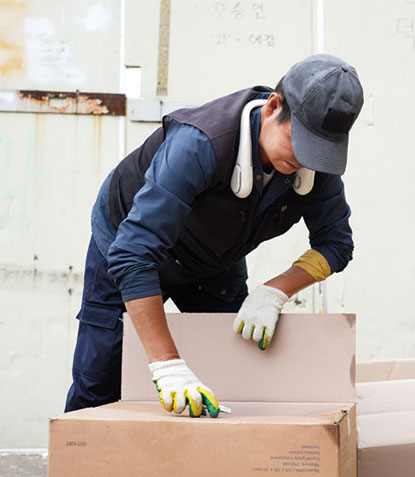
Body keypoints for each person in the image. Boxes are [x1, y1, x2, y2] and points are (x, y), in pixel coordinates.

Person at [65, 54, 364, 418]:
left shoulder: (318, 165)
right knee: (99, 378)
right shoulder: (201, 143)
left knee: (236, 371)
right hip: (127, 245)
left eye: (317, 150)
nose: (305, 159)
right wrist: (167, 366)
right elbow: (134, 253)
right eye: (298, 142)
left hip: (213, 259)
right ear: (273, 107)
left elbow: (337, 244)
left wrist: (276, 289)